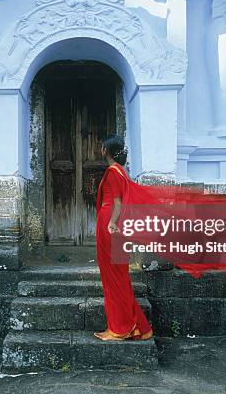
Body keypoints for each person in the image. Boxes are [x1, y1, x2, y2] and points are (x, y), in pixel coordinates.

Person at [93, 135, 154, 341]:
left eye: (102, 147)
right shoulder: (122, 172)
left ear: (105, 151)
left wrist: (111, 223)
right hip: (119, 228)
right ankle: (134, 326)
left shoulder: (112, 172)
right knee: (120, 276)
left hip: (110, 226)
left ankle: (118, 329)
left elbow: (117, 203)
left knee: (112, 277)